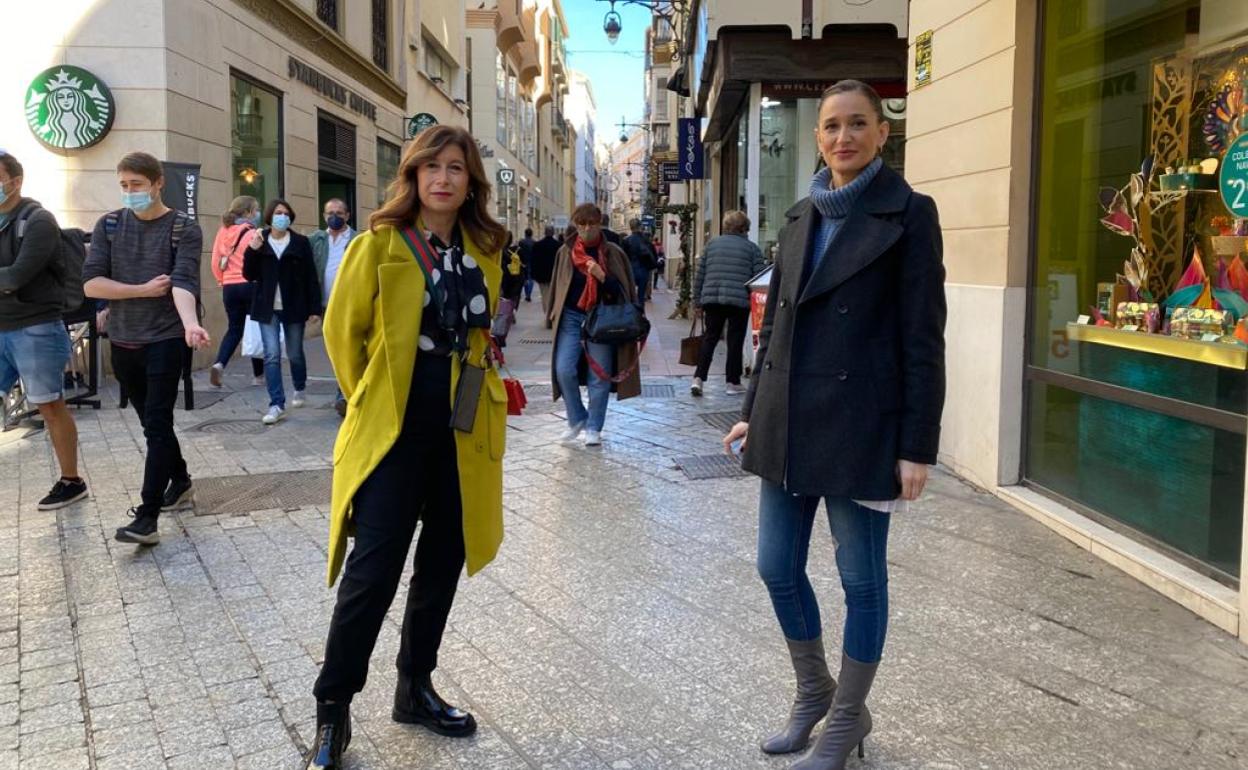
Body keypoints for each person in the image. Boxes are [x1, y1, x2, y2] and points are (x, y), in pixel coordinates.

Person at [723, 80, 945, 770]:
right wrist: (750, 413)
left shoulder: (909, 214)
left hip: (863, 422)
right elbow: (775, 329)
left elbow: (923, 337)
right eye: (830, 127)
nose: (842, 137)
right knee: (775, 566)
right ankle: (815, 689)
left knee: (861, 577)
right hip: (788, 417)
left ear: (883, 133)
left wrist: (916, 446)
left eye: (857, 125)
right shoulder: (798, 217)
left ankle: (848, 719)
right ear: (818, 138)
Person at [305, 124, 508, 770]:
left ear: (470, 180)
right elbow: (343, 335)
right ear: (414, 177)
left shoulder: (486, 247)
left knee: (442, 562)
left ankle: (414, 687)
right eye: (432, 168)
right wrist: (371, 395)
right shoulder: (381, 244)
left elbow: (479, 334)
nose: (444, 178)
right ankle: (333, 711)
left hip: (462, 423)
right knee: (374, 571)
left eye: (456, 168)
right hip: (396, 425)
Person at [84, 151, 210, 546]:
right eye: (124, 185)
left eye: (136, 185)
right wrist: (140, 290)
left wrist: (191, 324)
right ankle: (182, 479)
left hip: (166, 338)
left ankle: (147, 515)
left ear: (157, 183)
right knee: (151, 424)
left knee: (156, 423)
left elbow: (184, 281)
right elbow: (91, 284)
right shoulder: (107, 226)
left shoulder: (183, 228)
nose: (129, 193)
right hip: (123, 339)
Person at [0, 150, 89, 510]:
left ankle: (72, 480)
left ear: (15, 181)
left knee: (50, 405)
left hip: (35, 327)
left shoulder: (38, 221)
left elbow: (18, 276)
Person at [545, 204, 640, 447]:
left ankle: (594, 427)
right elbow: (557, 285)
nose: (587, 229)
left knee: (599, 375)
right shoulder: (565, 253)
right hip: (571, 317)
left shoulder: (613, 253)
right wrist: (551, 314)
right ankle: (577, 418)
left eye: (592, 224)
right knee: (563, 369)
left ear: (600, 224)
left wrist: (602, 276)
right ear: (575, 225)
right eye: (582, 224)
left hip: (602, 321)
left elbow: (623, 292)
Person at [243, 199, 321, 425]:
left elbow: (310, 277)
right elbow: (248, 274)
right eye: (278, 212)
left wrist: (314, 308)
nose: (282, 217)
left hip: (294, 306)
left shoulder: (300, 242)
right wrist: (252, 250)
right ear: (269, 216)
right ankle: (276, 403)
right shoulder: (260, 241)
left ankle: (299, 385)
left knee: (295, 353)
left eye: (286, 213)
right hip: (267, 307)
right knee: (272, 355)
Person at [690, 210, 766, 397]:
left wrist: (697, 300)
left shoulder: (711, 245)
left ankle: (698, 379)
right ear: (743, 229)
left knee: (710, 337)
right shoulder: (752, 249)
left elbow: (700, 275)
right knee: (735, 340)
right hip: (738, 300)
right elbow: (759, 277)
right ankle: (732, 382)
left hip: (712, 298)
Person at [208, 196, 264, 387]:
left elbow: (215, 260)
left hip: (229, 287)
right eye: (256, 210)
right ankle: (258, 376)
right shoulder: (252, 233)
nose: (257, 214)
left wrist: (221, 280)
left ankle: (219, 363)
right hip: (250, 285)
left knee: (234, 329)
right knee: (254, 328)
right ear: (248, 212)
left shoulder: (222, 232)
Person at [310, 199, 356, 416]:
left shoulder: (358, 239)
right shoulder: (316, 239)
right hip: (326, 304)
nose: (334, 216)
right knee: (335, 352)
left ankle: (343, 395)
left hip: (349, 303)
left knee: (346, 348)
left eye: (339, 212)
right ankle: (345, 392)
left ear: (347, 215)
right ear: (324, 215)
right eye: (330, 213)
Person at [622, 218, 657, 304]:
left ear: (631, 227)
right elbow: (653, 254)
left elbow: (623, 256)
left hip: (630, 270)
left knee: (630, 295)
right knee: (641, 295)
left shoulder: (626, 240)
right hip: (644, 270)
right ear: (640, 226)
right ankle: (640, 312)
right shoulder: (646, 240)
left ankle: (632, 313)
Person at [500, 232, 525, 307]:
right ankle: (512, 312)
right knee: (514, 301)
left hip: (504, 280)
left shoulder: (500, 251)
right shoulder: (518, 249)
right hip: (516, 278)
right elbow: (523, 263)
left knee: (504, 301)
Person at [518, 226, 536, 302]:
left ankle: (526, 294)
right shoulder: (534, 242)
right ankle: (529, 295)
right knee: (531, 279)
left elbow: (519, 252)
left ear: (525, 234)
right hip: (532, 262)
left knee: (524, 278)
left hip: (523, 262)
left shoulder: (521, 242)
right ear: (531, 234)